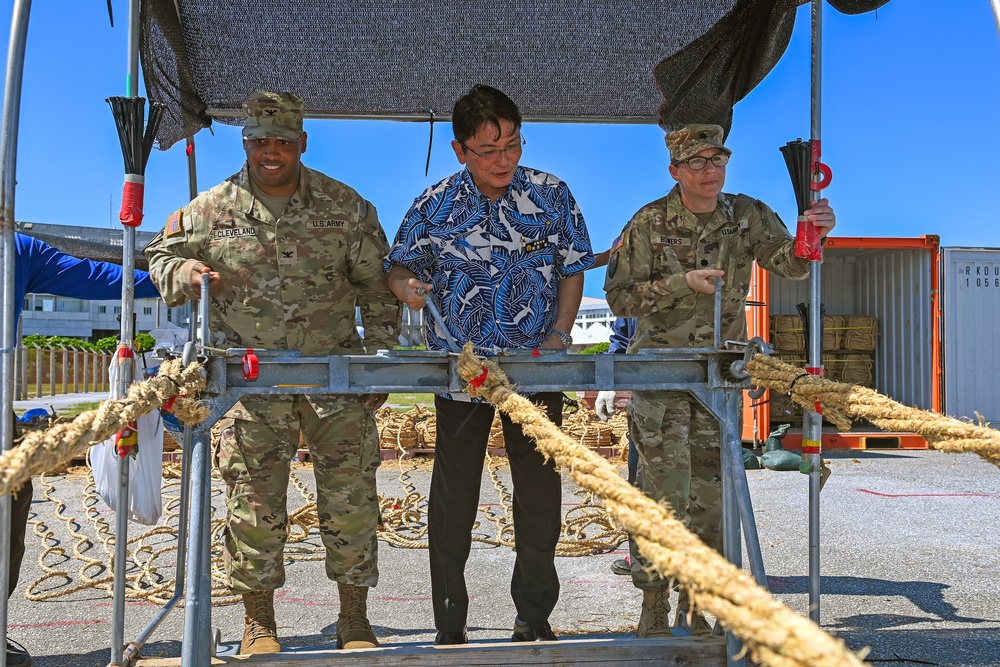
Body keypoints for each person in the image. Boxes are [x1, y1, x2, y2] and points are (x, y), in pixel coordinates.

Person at [145, 91, 400, 655]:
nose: (271, 152)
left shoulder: (344, 205)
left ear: (301, 143)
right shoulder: (210, 208)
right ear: (245, 143)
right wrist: (182, 268)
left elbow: (377, 286)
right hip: (248, 383)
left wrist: (379, 359)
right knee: (253, 509)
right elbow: (158, 256)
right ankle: (259, 625)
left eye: (283, 141)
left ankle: (354, 622)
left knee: (352, 501)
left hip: (334, 380)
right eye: (260, 140)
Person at [604, 123, 836, 638]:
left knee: (713, 494)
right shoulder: (649, 222)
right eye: (697, 163)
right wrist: (679, 283)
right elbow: (620, 297)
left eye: (717, 160)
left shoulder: (745, 215)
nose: (709, 171)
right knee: (664, 489)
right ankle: (653, 604)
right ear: (675, 170)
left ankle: (699, 604)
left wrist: (813, 232)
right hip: (661, 373)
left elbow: (792, 265)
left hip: (717, 377)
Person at [385, 84, 593, 645]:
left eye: (513, 145)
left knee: (539, 495)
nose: (503, 160)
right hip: (462, 371)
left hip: (536, 370)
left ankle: (534, 617)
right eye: (489, 149)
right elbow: (399, 267)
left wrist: (559, 333)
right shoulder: (435, 204)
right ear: (460, 151)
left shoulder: (551, 195)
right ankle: (450, 625)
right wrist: (406, 287)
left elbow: (573, 266)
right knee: (455, 498)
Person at [5, 232, 160, 667]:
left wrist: (174, 275)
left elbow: (100, 278)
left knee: (7, 531)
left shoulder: (16, 250)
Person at [593, 316, 638, 576]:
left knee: (691, 485)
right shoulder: (635, 285)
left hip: (690, 398)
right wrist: (608, 383)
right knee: (640, 483)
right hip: (645, 405)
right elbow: (621, 338)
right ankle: (643, 560)